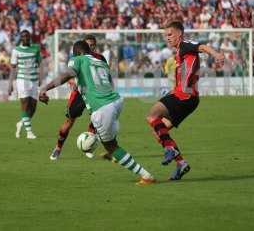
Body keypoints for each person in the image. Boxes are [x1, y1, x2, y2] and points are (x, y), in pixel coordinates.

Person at [40, 40, 156, 185]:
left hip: (102, 108)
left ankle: (146, 176)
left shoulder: (77, 59)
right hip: (116, 101)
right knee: (109, 140)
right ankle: (108, 146)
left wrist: (45, 88)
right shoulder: (100, 61)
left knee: (111, 147)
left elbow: (67, 74)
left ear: (76, 53)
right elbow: (107, 81)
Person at [146, 21, 224, 180]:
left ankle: (170, 150)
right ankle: (181, 163)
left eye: (170, 34)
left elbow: (202, 47)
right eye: (165, 35)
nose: (167, 38)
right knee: (159, 133)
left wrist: (216, 55)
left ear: (179, 34)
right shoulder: (179, 52)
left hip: (184, 96)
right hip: (188, 98)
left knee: (152, 115)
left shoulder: (185, 45)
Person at [49, 35, 108, 161]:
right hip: (79, 94)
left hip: (95, 94)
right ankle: (58, 148)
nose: (90, 47)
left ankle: (89, 146)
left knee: (96, 119)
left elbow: (104, 74)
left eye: (92, 45)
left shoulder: (100, 58)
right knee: (69, 121)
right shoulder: (76, 58)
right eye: (88, 45)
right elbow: (69, 75)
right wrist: (72, 82)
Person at [8, 30, 41, 139]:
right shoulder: (16, 51)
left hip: (34, 80)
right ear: (21, 38)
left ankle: (21, 123)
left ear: (30, 37)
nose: (26, 38)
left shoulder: (36, 48)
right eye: (23, 36)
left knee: (33, 108)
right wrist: (10, 84)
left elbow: (39, 64)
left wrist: (40, 77)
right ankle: (29, 132)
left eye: (27, 36)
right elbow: (13, 68)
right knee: (25, 104)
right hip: (22, 80)